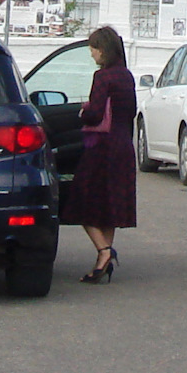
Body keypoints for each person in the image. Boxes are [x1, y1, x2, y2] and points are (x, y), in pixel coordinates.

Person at [60, 25, 136, 283]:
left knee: (82, 201)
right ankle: (104, 258)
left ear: (102, 50)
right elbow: (131, 111)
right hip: (123, 146)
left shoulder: (102, 77)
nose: (92, 55)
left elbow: (94, 114)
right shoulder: (127, 76)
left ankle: (104, 251)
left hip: (101, 148)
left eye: (93, 49)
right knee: (109, 205)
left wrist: (83, 112)